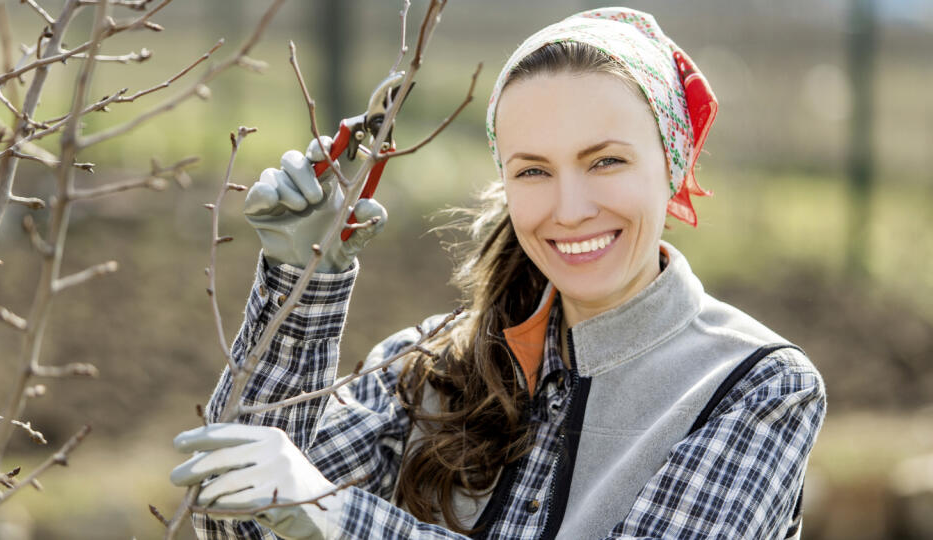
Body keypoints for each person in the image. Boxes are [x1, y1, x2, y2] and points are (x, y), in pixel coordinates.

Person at [170, 7, 826, 539]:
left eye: (606, 162)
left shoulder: (757, 386)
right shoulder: (431, 364)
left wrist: (338, 517)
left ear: (673, 167)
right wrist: (302, 281)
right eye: (533, 171)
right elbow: (233, 521)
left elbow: (319, 513)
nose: (569, 210)